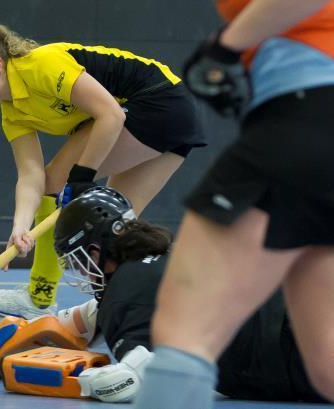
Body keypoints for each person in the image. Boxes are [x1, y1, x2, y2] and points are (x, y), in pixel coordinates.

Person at [131, 1, 334, 408]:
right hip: (309, 121)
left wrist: (225, 47)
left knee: (185, 334)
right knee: (328, 362)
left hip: (310, 111)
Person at [0, 24, 205, 319]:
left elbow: (110, 114)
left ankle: (39, 298)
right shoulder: (12, 114)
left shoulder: (38, 65)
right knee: (117, 227)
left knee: (58, 182)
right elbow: (31, 175)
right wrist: (20, 227)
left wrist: (81, 178)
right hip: (173, 118)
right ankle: (134, 304)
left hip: (158, 100)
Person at [51, 187, 327, 403]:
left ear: (95, 251)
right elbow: (122, 305)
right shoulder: (169, 253)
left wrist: (72, 380)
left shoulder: (123, 293)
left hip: (291, 349)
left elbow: (130, 379)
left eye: (79, 262)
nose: (83, 273)